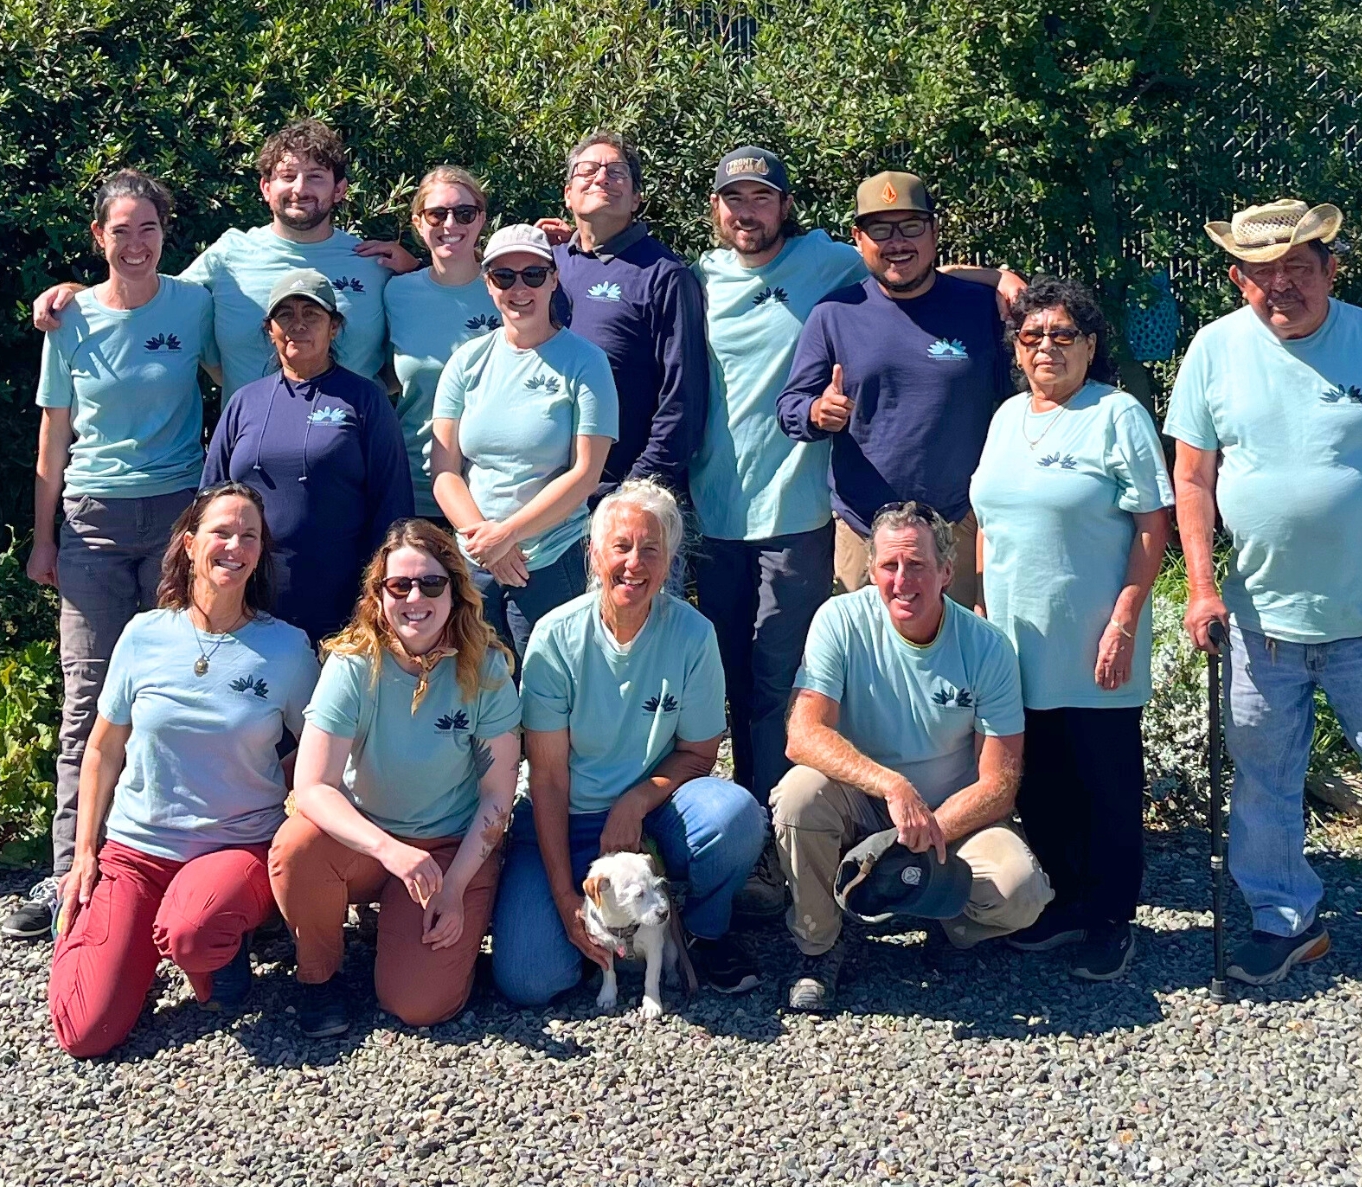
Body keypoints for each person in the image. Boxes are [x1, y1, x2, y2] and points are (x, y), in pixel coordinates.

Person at [1166, 199, 1362, 1005]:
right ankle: (1285, 918)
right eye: (1262, 271)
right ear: (1237, 278)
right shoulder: (1215, 350)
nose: (1280, 283)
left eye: (1298, 265)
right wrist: (1198, 585)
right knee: (1264, 780)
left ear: (1331, 267)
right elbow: (1192, 475)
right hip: (1260, 624)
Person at [6, 171, 216, 942]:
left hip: (176, 516)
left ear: (167, 231)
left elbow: (240, 375)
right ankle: (71, 873)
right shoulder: (71, 318)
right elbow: (52, 437)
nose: (135, 243)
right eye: (120, 230)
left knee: (176, 694)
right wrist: (42, 537)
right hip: (90, 520)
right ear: (97, 238)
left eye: (148, 228)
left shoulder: (194, 304)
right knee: (88, 700)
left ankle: (173, 865)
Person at [47, 482, 319, 1059]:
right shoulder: (144, 635)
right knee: (84, 1032)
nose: (235, 546)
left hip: (236, 847)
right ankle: (118, 940)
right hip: (136, 849)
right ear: (190, 544)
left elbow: (322, 751)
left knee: (192, 931)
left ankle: (217, 959)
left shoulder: (287, 650)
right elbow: (101, 749)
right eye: (222, 531)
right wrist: (84, 854)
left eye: (250, 536)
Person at [491, 482, 767, 1005]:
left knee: (736, 817)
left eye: (651, 549)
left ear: (669, 563)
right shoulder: (554, 638)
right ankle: (606, 927)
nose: (634, 563)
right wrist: (564, 897)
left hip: (654, 811)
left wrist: (636, 802)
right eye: (620, 546)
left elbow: (700, 753)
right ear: (594, 554)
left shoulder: (693, 634)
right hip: (564, 815)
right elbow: (547, 779)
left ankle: (704, 932)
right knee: (530, 981)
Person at [969, 280, 1172, 982]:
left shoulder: (1116, 415)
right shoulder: (1004, 419)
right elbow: (989, 522)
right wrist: (987, 621)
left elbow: (1153, 523)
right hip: (1015, 643)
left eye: (1063, 335)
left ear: (1090, 344)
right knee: (1039, 778)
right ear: (1016, 348)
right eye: (1032, 336)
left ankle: (1111, 917)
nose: (1046, 347)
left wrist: (1124, 618)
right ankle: (1062, 901)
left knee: (1104, 782)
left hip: (1094, 642)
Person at [775, 503, 1051, 1012]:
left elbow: (999, 782)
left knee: (1022, 892)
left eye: (918, 565)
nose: (903, 580)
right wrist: (891, 786)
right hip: (864, 803)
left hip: (953, 816)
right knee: (798, 794)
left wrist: (924, 835)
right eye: (889, 566)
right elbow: (802, 734)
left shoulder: (987, 648)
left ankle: (945, 919)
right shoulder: (839, 620)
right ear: (872, 569)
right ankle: (818, 945)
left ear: (947, 571)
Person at [268, 520, 521, 1037]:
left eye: (431, 584)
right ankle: (319, 976)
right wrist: (390, 852)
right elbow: (312, 787)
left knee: (418, 1005)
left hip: (448, 848)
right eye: (399, 585)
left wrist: (453, 888)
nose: (414, 598)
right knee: (296, 847)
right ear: (378, 594)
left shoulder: (488, 668)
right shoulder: (353, 665)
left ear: (455, 591)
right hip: (368, 842)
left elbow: (498, 796)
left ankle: (418, 924)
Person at [689, 147, 868, 807]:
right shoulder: (698, 278)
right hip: (714, 512)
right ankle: (745, 814)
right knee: (731, 676)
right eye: (734, 198)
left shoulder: (827, 262)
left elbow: (909, 269)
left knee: (780, 675)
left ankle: (777, 827)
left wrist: (996, 278)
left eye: (762, 197)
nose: (747, 211)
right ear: (716, 208)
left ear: (785, 206)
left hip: (797, 512)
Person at [31, 119, 416, 401]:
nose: (300, 189)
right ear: (266, 188)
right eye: (287, 176)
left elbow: (412, 353)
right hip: (253, 458)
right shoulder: (229, 255)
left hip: (353, 457)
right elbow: (147, 296)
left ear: (339, 190)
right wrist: (73, 292)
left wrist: (416, 269)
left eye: (315, 176)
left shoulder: (373, 263)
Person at [777, 171, 1011, 610]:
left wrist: (1003, 278)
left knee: (957, 668)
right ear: (858, 238)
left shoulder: (980, 307)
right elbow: (789, 408)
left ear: (935, 230)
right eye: (880, 229)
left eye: (911, 226)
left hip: (959, 527)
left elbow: (1021, 400)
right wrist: (816, 412)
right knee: (868, 669)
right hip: (863, 531)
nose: (897, 242)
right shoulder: (834, 313)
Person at [432, 223, 617, 656]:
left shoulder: (587, 363)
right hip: (473, 564)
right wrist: (487, 542)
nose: (520, 288)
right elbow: (444, 471)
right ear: (488, 284)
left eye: (533, 275)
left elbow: (586, 473)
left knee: (547, 702)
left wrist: (509, 535)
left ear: (554, 279)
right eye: (504, 276)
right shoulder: (465, 362)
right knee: (477, 695)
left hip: (553, 560)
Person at [202, 269, 412, 644]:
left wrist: (384, 588)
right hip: (249, 595)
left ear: (334, 327)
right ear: (270, 329)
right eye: (286, 315)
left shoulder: (364, 400)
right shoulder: (244, 402)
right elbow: (209, 501)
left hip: (341, 597)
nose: (298, 325)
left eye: (311, 314)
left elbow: (392, 502)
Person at [551, 129, 708, 499]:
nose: (601, 177)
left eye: (616, 172)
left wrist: (635, 490)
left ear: (636, 198)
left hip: (624, 500)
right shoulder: (543, 266)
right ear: (568, 194)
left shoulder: (665, 275)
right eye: (587, 170)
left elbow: (682, 400)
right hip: (542, 503)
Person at [385, 167, 502, 517]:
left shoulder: (511, 289)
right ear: (418, 222)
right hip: (412, 488)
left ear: (481, 220)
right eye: (437, 214)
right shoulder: (396, 292)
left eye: (464, 213)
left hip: (494, 493)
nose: (450, 224)